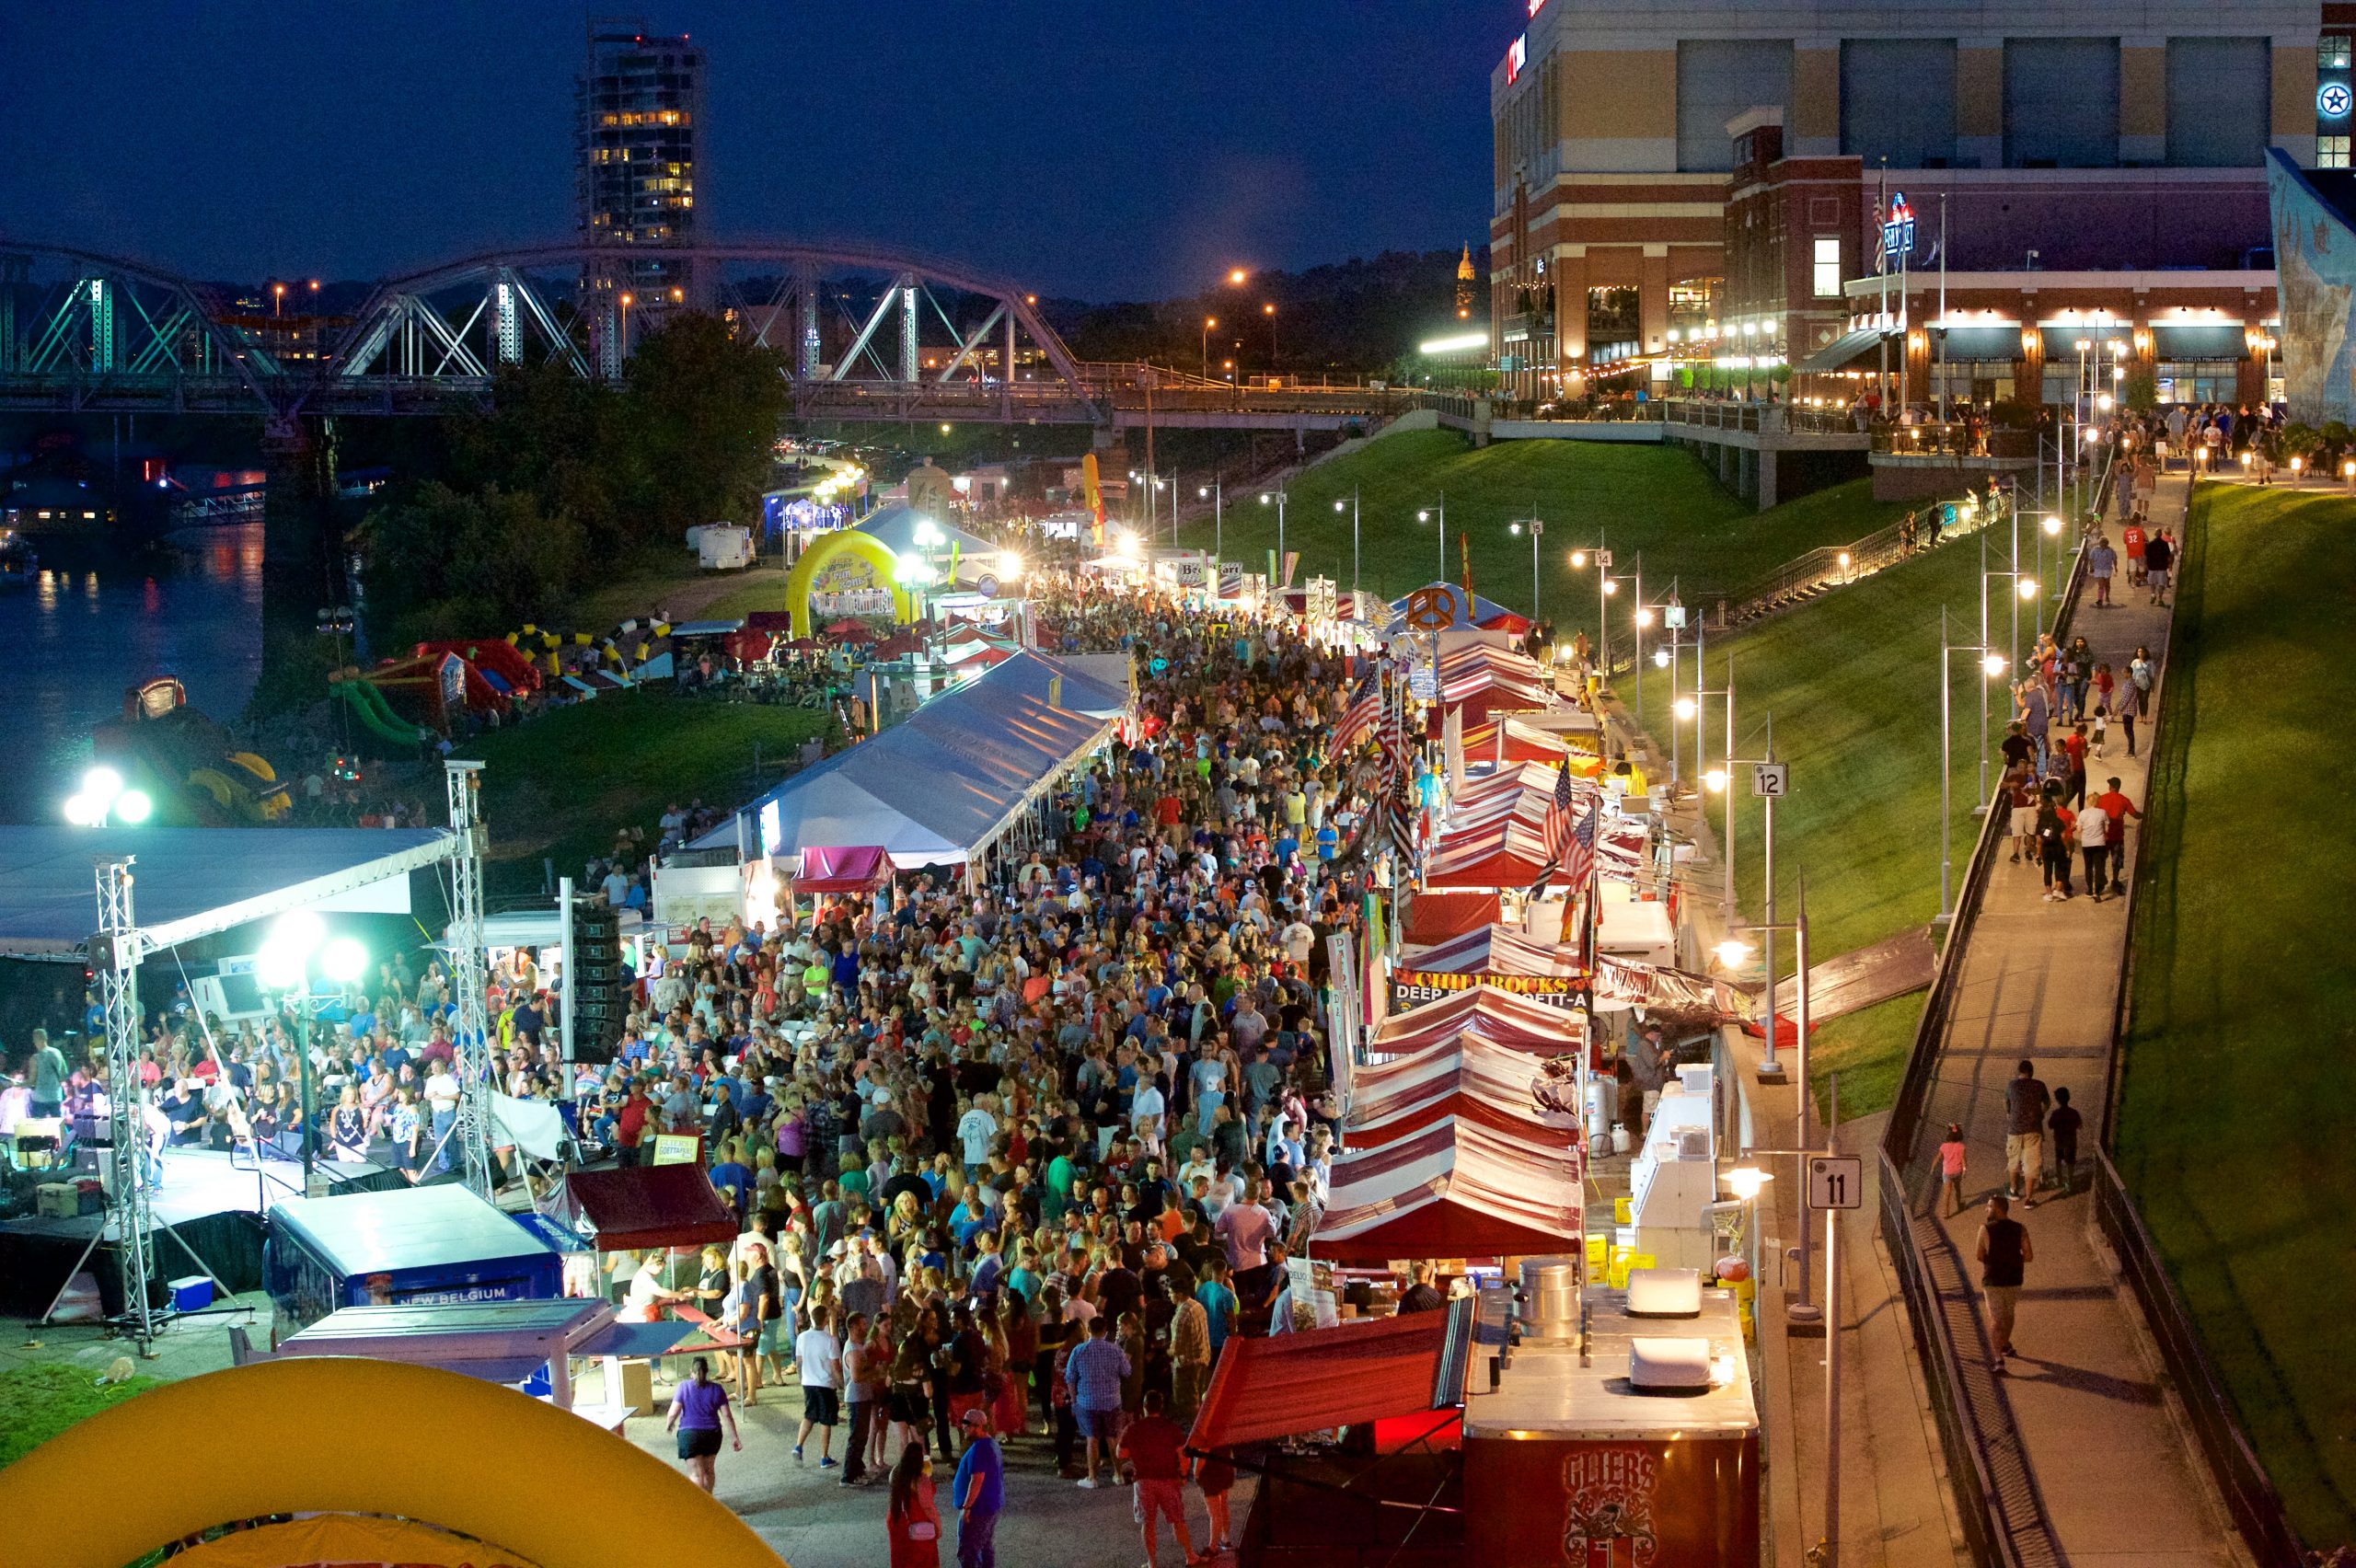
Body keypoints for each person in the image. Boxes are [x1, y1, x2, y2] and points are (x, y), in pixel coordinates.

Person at [1118, 1388, 1206, 1568]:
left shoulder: (1134, 1428)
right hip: (1168, 1480)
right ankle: (1190, 1555)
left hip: (1143, 1481)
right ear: (1161, 1406)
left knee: (1148, 1524)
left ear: (1144, 1407)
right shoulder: (1170, 1428)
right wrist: (1182, 1474)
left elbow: (1121, 1453)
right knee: (1177, 1520)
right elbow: (1183, 1455)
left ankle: (1152, 1563)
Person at [1065, 1313, 1132, 1487]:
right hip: (1111, 1400)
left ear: (1089, 1330)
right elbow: (1127, 1372)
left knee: (1092, 1439)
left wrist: (1074, 1401)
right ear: (1105, 1331)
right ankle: (1118, 1475)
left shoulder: (1079, 1351)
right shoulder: (1115, 1350)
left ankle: (1092, 1477)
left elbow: (1070, 1378)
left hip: (1087, 1401)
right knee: (1112, 1438)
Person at [663, 1355, 741, 1494]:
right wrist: (735, 1437)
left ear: (691, 1372)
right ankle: (709, 1499)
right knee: (708, 1471)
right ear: (707, 1371)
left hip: (689, 1435)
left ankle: (700, 1503)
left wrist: (669, 1425)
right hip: (712, 1434)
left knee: (696, 1474)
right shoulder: (717, 1389)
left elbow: (673, 1412)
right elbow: (727, 1415)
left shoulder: (683, 1387)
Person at [1976, 1193, 2033, 1371]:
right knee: (2008, 1314)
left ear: (1998, 1209)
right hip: (2014, 1279)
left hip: (1993, 1280)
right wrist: (2012, 1260)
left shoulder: (1985, 1229)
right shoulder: (2020, 1229)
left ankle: (1998, 1358)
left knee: (1995, 1319)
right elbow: (2029, 1256)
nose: (1987, 1209)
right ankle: (2006, 1343)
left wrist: (1994, 1260)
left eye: (1989, 1206)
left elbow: (1979, 1255)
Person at [950, 1405, 1005, 1568]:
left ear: (979, 1426)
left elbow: (977, 1480)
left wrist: (967, 1508)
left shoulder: (980, 1449)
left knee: (969, 1551)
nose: (964, 1427)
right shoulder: (991, 1444)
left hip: (978, 1510)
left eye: (968, 1424)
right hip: (990, 1507)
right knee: (985, 1547)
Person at [795, 1301, 844, 1468]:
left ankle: (799, 1446)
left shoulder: (802, 1337)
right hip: (825, 1384)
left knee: (809, 1415)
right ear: (825, 1320)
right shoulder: (830, 1340)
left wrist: (801, 1379)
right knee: (825, 1420)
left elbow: (799, 1362)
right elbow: (835, 1366)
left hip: (808, 1382)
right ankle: (824, 1456)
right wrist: (841, 1384)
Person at [2004, 1060, 2050, 1206]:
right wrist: (2041, 1113)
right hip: (2033, 1128)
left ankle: (2013, 1191)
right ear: (2032, 1072)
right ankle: (2029, 1200)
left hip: (2015, 1129)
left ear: (2019, 1072)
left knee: (2013, 1160)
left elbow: (2006, 1102)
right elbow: (2047, 1102)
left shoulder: (2011, 1085)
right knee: (2031, 1162)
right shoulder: (2039, 1085)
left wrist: (2009, 1113)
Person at [888, 1446, 942, 1568]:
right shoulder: (921, 1479)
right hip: (917, 1520)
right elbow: (928, 1507)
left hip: (898, 1520)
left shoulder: (896, 1472)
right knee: (921, 1558)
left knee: (901, 1556)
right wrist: (938, 1527)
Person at [2049, 1087, 2084, 1196]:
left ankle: (2059, 1179)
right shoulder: (2073, 1112)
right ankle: (2069, 1182)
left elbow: (2050, 1125)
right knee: (2070, 1162)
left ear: (2057, 1100)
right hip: (2071, 1140)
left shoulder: (2056, 1113)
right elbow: (2079, 1125)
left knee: (2059, 1160)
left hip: (2059, 1141)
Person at [1938, 1124, 1969, 1217]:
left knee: (1946, 1193)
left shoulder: (1944, 1146)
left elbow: (1939, 1157)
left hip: (1947, 1172)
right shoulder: (1961, 1146)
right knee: (1957, 1188)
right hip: (1957, 1172)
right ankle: (1959, 1205)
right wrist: (1964, 1170)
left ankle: (1945, 1212)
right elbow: (1963, 1159)